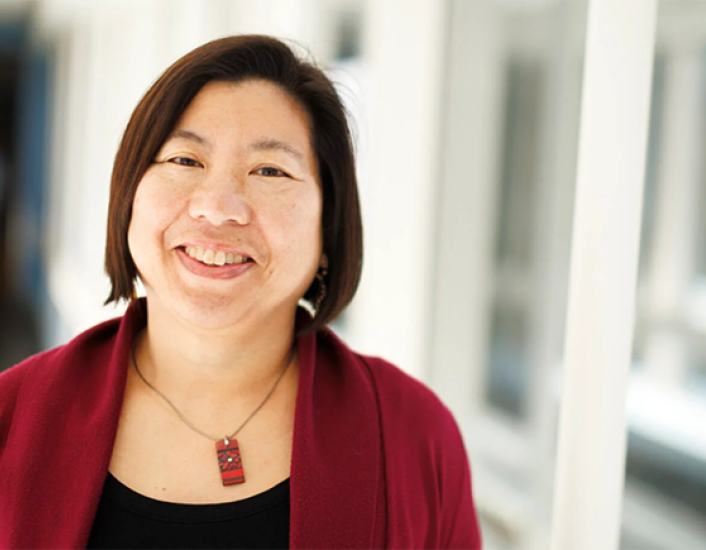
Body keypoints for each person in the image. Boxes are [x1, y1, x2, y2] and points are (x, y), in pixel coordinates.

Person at [0, 35, 481, 549]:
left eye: (270, 170)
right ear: (129, 197)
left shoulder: (413, 436)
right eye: (185, 160)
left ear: (329, 230)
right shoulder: (10, 419)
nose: (219, 205)